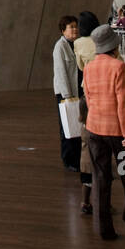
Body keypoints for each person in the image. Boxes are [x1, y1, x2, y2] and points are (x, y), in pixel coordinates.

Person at [83, 24, 125, 241]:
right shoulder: (118, 67)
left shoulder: (89, 67)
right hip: (117, 135)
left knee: (102, 178)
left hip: (94, 131)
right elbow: (122, 104)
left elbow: (88, 98)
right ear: (114, 46)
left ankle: (105, 228)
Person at [73, 12, 104, 216]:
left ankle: (85, 200)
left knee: (87, 143)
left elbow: (80, 67)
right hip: (106, 95)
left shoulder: (79, 44)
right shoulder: (102, 41)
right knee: (109, 144)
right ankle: (105, 198)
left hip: (88, 94)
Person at [53, 15, 81, 173]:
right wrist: (67, 95)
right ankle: (69, 159)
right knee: (67, 126)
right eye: (71, 27)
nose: (75, 29)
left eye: (76, 26)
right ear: (63, 30)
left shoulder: (75, 44)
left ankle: (77, 158)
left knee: (76, 125)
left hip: (76, 92)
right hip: (66, 94)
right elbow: (61, 73)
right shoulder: (60, 47)